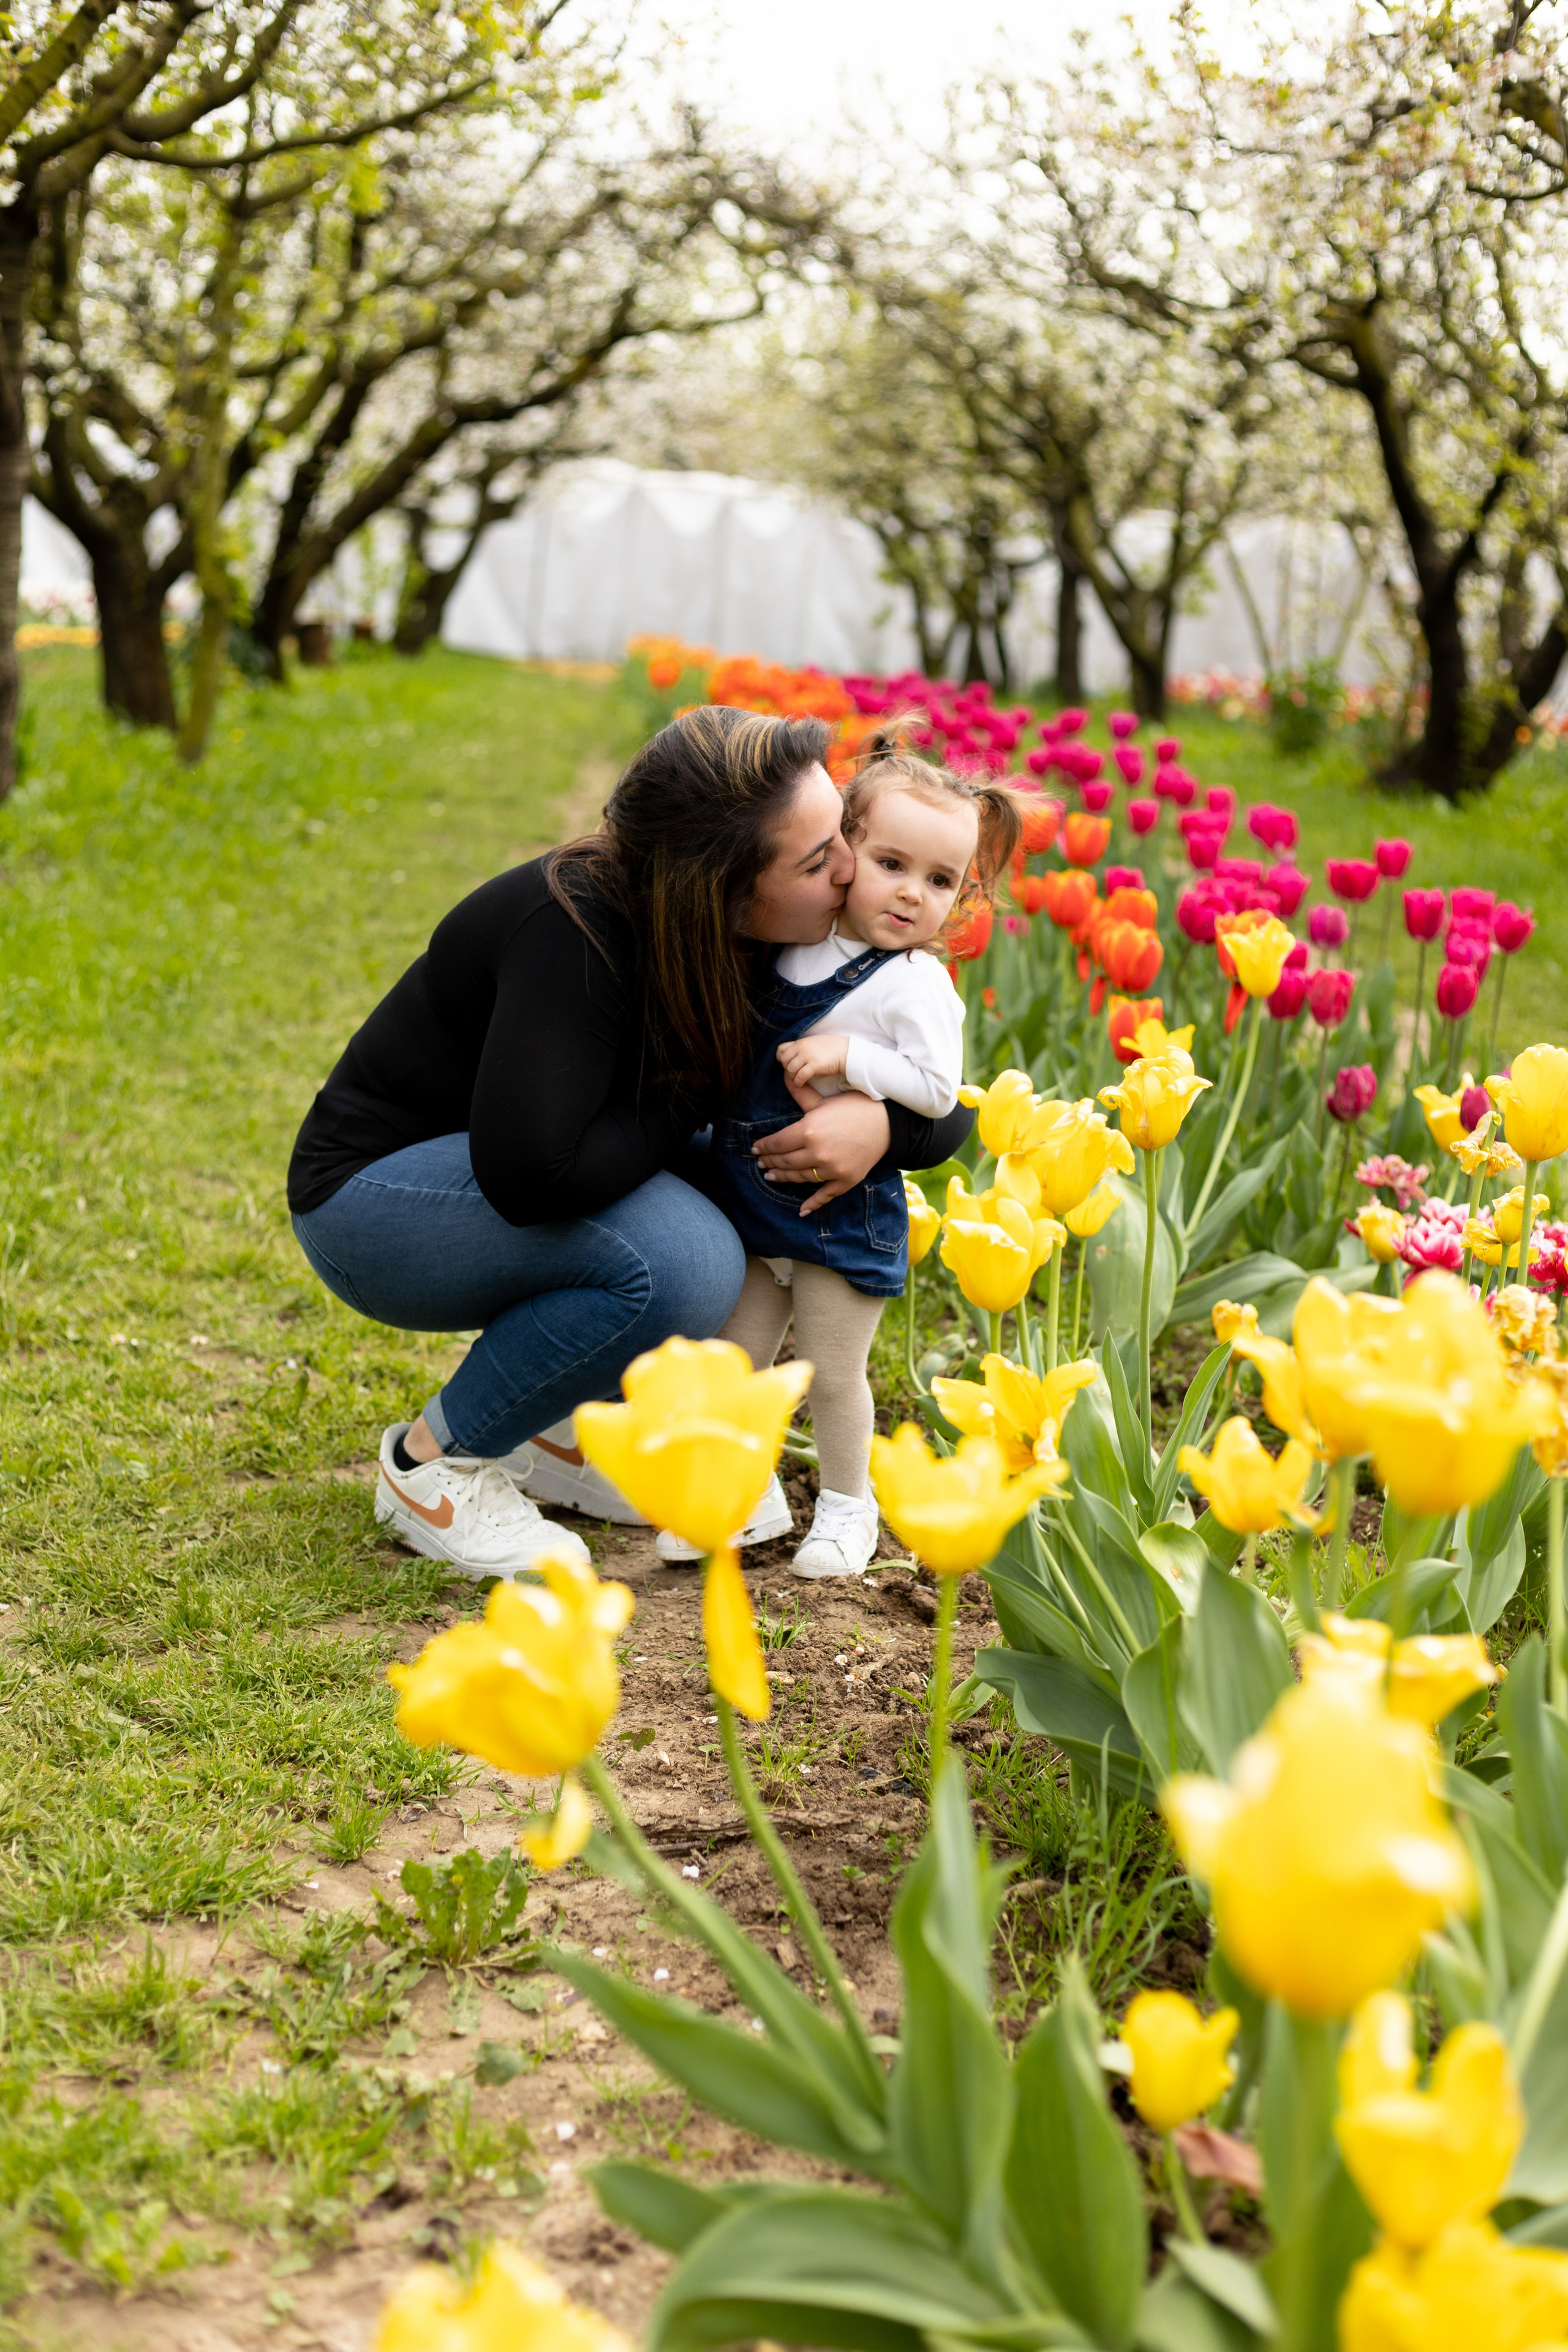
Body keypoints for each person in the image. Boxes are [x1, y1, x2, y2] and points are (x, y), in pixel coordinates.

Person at [286, 704, 974, 1578]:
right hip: (376, 1205)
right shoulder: (570, 932)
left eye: (841, 832)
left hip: (509, 1173)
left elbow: (949, 1105)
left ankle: (557, 1444)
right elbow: (532, 1177)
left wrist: (880, 1122)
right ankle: (432, 1465)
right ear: (724, 886)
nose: (850, 869)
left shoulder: (767, 933)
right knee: (682, 1261)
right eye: (816, 860)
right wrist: (706, 1089)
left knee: (738, 1184)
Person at [663, 735, 1019, 1580]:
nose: (913, 893)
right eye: (892, 864)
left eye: (941, 881)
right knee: (738, 1365)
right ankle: (736, 1498)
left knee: (830, 1373)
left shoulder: (914, 984)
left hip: (840, 1213)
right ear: (844, 851)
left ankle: (849, 1509)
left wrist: (851, 1060)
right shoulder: (791, 944)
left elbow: (937, 1089)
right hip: (752, 1200)